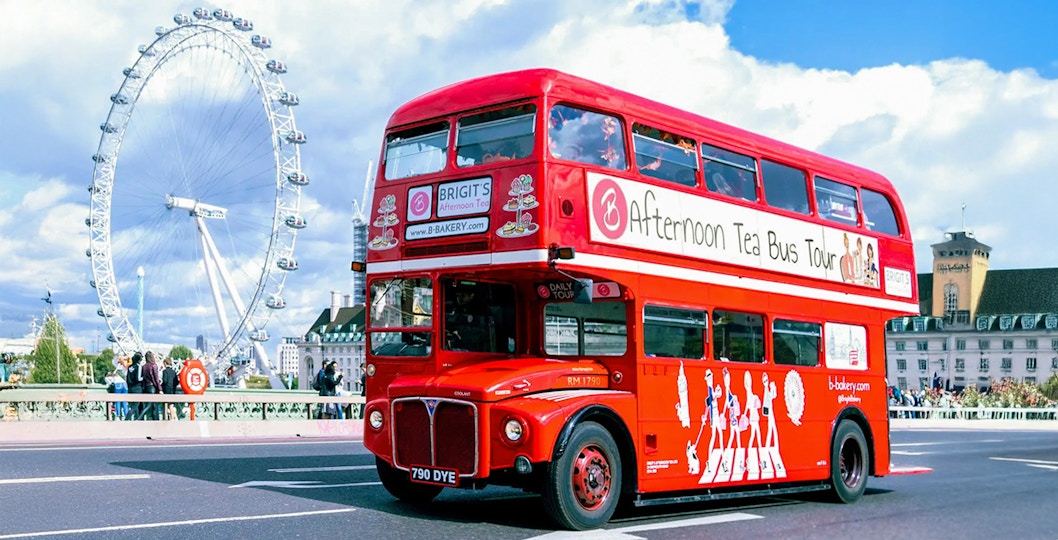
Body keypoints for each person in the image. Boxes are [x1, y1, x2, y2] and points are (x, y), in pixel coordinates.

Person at [139, 351, 163, 420]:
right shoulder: (154, 365)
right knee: (152, 405)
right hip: (152, 387)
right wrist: (160, 389)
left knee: (149, 405)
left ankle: (146, 418)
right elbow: (156, 378)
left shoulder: (144, 366)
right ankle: (141, 418)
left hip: (145, 387)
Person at [125, 353, 144, 420]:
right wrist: (144, 378)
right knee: (135, 406)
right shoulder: (138, 366)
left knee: (133, 405)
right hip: (137, 388)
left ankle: (137, 419)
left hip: (130, 388)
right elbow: (138, 378)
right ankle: (127, 419)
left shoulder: (130, 367)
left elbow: (127, 378)